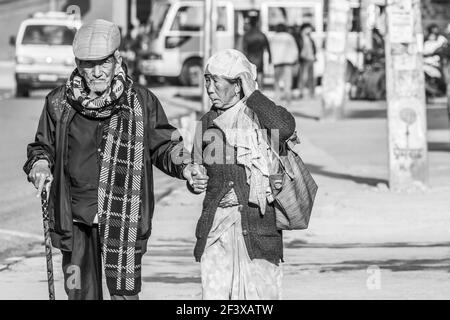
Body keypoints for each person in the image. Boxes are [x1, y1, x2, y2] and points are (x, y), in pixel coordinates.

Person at [23, 19, 208, 300]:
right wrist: (40, 164)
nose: (96, 72)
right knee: (78, 294)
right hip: (75, 223)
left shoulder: (141, 102)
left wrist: (186, 167)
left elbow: (164, 144)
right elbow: (42, 146)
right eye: (88, 64)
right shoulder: (58, 102)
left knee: (124, 296)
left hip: (124, 221)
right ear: (77, 63)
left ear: (117, 59)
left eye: (104, 63)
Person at [192, 49, 296, 299]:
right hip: (217, 230)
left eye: (216, 82)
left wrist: (254, 96)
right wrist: (195, 179)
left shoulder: (262, 118)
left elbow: (284, 128)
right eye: (207, 80)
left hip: (259, 232)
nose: (210, 88)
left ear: (238, 85)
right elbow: (196, 168)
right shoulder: (206, 123)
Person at [269, 23, 299, 107]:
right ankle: (288, 101)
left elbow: (271, 50)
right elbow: (295, 49)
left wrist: (272, 60)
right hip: (288, 62)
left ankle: (277, 100)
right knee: (288, 82)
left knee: (277, 82)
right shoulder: (289, 37)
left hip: (277, 62)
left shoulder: (274, 37)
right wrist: (294, 60)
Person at [242, 15, 272, 88]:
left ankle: (252, 90)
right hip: (259, 58)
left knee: (251, 75)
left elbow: (244, 48)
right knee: (260, 73)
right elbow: (267, 47)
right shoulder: (261, 35)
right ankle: (260, 89)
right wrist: (270, 58)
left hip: (250, 58)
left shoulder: (247, 35)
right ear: (257, 23)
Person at [296, 23, 317, 98]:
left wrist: (314, 55)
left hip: (311, 59)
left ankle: (312, 93)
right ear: (304, 29)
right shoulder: (299, 38)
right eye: (309, 28)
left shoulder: (310, 38)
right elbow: (298, 48)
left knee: (311, 77)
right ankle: (301, 92)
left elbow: (313, 48)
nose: (310, 30)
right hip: (303, 59)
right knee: (303, 77)